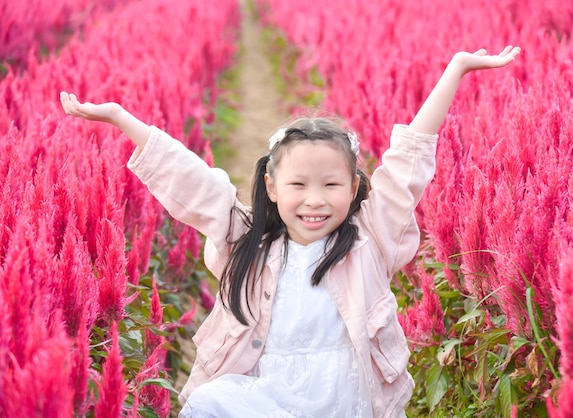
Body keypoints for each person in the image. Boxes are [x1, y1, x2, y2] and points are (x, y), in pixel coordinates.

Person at [60, 45, 521, 418]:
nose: (315, 200)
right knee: (210, 403)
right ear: (271, 186)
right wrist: (122, 118)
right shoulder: (248, 241)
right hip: (270, 397)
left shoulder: (369, 240)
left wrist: (456, 69)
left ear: (356, 187)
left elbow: (405, 168)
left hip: (347, 400)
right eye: (298, 185)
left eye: (331, 185)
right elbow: (194, 182)